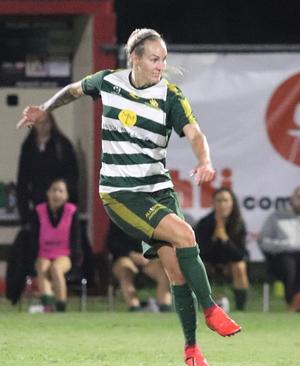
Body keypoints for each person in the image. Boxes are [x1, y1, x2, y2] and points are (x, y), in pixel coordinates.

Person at [17, 28, 240, 366]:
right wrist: (45, 108)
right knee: (186, 235)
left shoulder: (170, 96)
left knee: (176, 270)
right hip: (120, 193)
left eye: (164, 59)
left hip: (158, 190)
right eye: (154, 58)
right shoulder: (109, 82)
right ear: (133, 58)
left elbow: (195, 133)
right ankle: (210, 309)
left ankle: (192, 351)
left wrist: (205, 159)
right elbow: (74, 90)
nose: (160, 65)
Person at [17, 112, 78, 226]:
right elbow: (23, 180)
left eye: (46, 122)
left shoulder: (62, 145)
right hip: (37, 202)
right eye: (39, 123)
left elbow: (72, 176)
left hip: (59, 203)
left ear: (52, 124)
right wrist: (23, 212)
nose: (43, 126)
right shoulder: (28, 146)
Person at [196, 187, 250, 311]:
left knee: (240, 267)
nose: (222, 204)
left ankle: (241, 309)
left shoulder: (238, 223)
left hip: (230, 263)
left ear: (232, 203)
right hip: (208, 263)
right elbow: (200, 252)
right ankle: (200, 307)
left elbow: (240, 255)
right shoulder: (204, 223)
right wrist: (214, 239)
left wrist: (225, 240)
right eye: (219, 201)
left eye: (226, 201)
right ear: (213, 203)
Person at [32, 178, 82, 312]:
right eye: (53, 190)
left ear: (66, 196)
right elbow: (33, 238)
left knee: (55, 268)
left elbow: (76, 239)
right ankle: (48, 306)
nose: (56, 194)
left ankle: (60, 306)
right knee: (42, 266)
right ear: (47, 193)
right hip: (44, 253)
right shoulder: (39, 211)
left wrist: (76, 261)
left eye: (61, 191)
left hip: (64, 254)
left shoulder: (72, 212)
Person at [106, 221, 172, 312]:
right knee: (125, 271)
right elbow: (112, 243)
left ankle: (165, 307)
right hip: (125, 256)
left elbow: (162, 240)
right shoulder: (118, 215)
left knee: (165, 271)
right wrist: (131, 254)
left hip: (149, 258)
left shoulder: (153, 215)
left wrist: (150, 254)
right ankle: (135, 308)